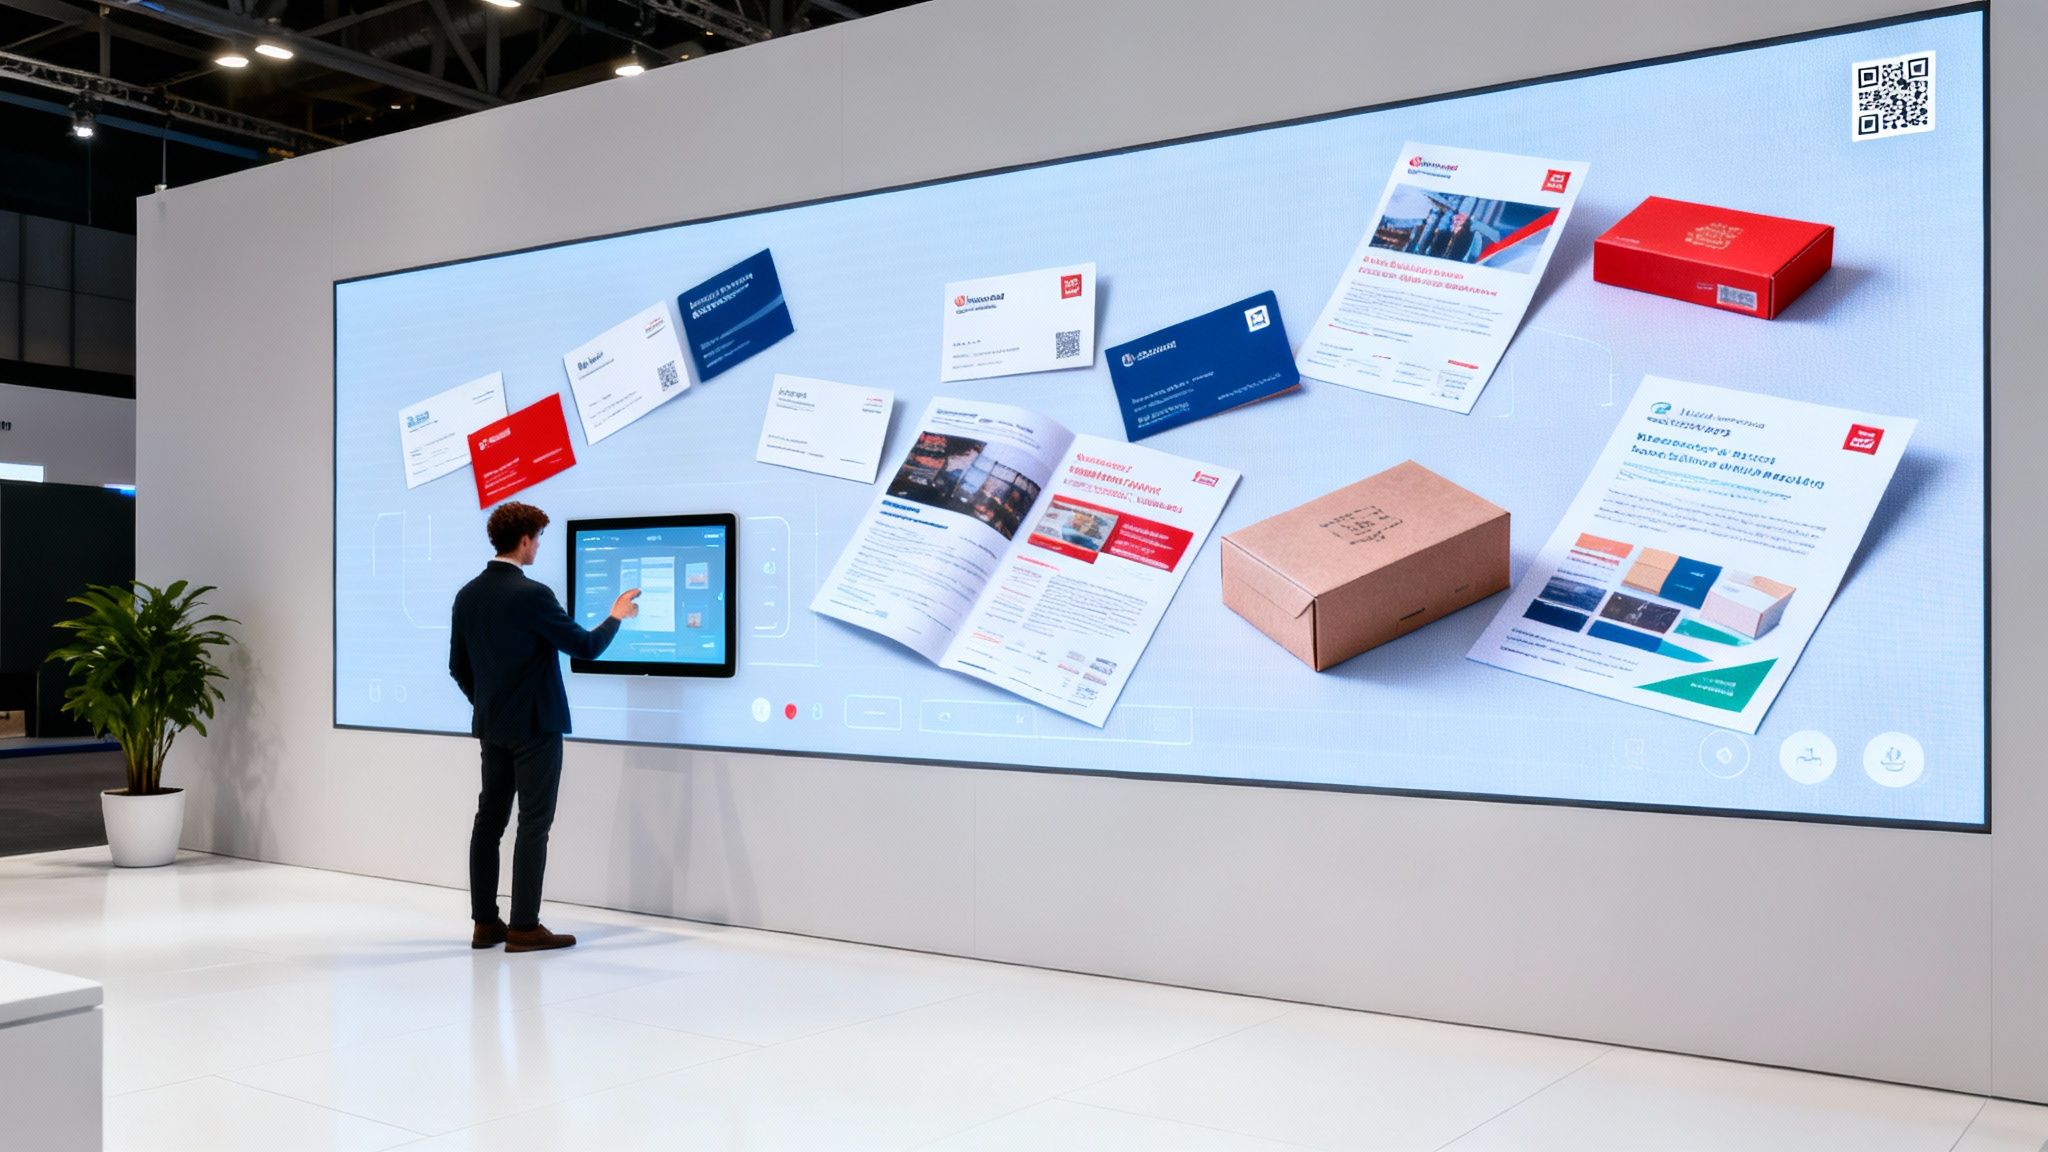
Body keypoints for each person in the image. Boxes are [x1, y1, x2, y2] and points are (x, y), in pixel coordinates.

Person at [449, 501, 639, 953]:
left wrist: (488, 702)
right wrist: (616, 616)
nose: (538, 547)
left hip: (492, 726)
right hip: (536, 726)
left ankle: (485, 924)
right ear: (525, 540)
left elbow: (458, 667)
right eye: (538, 539)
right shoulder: (532, 594)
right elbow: (585, 646)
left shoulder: (467, 595)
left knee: (488, 823)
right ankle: (524, 926)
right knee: (533, 824)